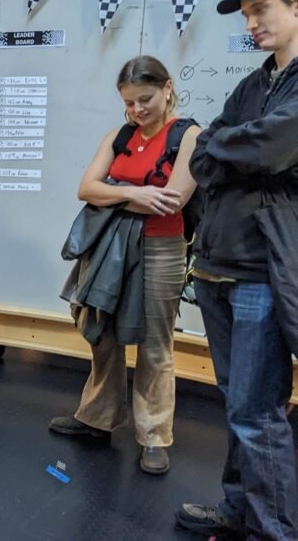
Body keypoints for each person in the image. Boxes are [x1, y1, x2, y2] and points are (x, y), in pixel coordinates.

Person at [174, 0, 298, 538]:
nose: (251, 24)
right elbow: (201, 153)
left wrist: (228, 145)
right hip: (216, 265)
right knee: (236, 404)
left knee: (257, 413)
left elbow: (273, 147)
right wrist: (232, 147)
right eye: (246, 15)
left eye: (260, 10)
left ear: (296, 5)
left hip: (261, 272)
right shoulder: (254, 83)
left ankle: (274, 530)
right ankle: (238, 508)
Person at [50, 55, 200, 476]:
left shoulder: (189, 136)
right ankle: (97, 418)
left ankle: (154, 436)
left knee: (155, 344)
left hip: (161, 249)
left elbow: (171, 201)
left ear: (168, 88)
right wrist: (134, 194)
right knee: (101, 332)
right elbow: (86, 188)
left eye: (145, 99)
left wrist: (113, 191)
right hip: (109, 247)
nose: (137, 110)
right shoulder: (119, 136)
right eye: (129, 103)